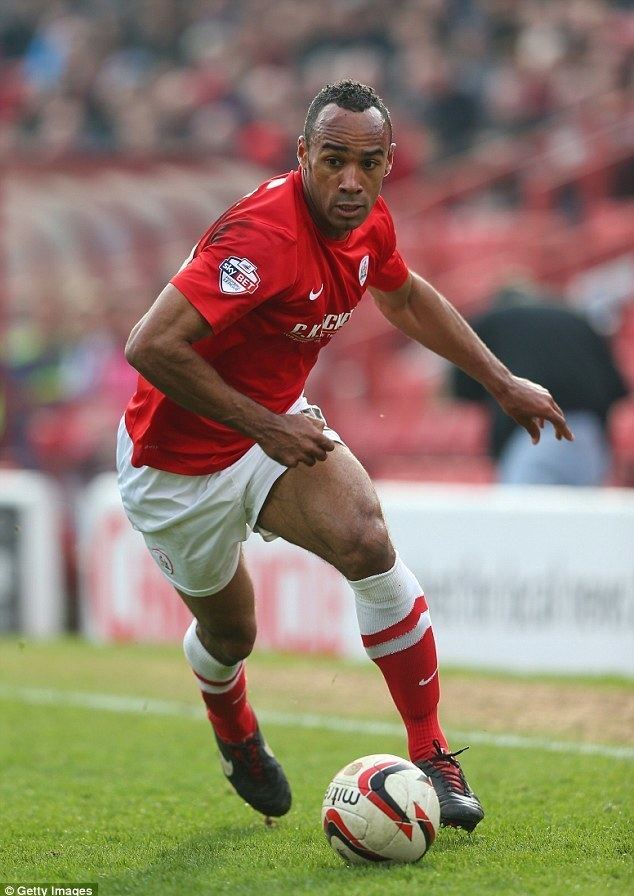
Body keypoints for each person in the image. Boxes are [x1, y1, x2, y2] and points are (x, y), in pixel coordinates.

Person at [117, 80, 573, 833]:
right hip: (176, 463)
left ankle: (431, 753)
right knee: (232, 635)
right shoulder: (263, 235)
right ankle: (234, 727)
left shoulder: (367, 221)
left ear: (390, 161)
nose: (351, 181)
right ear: (303, 155)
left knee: (367, 537)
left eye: (369, 162)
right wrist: (264, 424)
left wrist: (499, 379)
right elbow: (149, 346)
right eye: (333, 160)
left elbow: (403, 296)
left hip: (271, 430)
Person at [452, 283, 627, 486]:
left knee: (524, 515)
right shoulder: (577, 318)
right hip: (588, 436)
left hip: (532, 435)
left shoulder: (494, 319)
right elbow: (616, 389)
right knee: (578, 516)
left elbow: (461, 390)